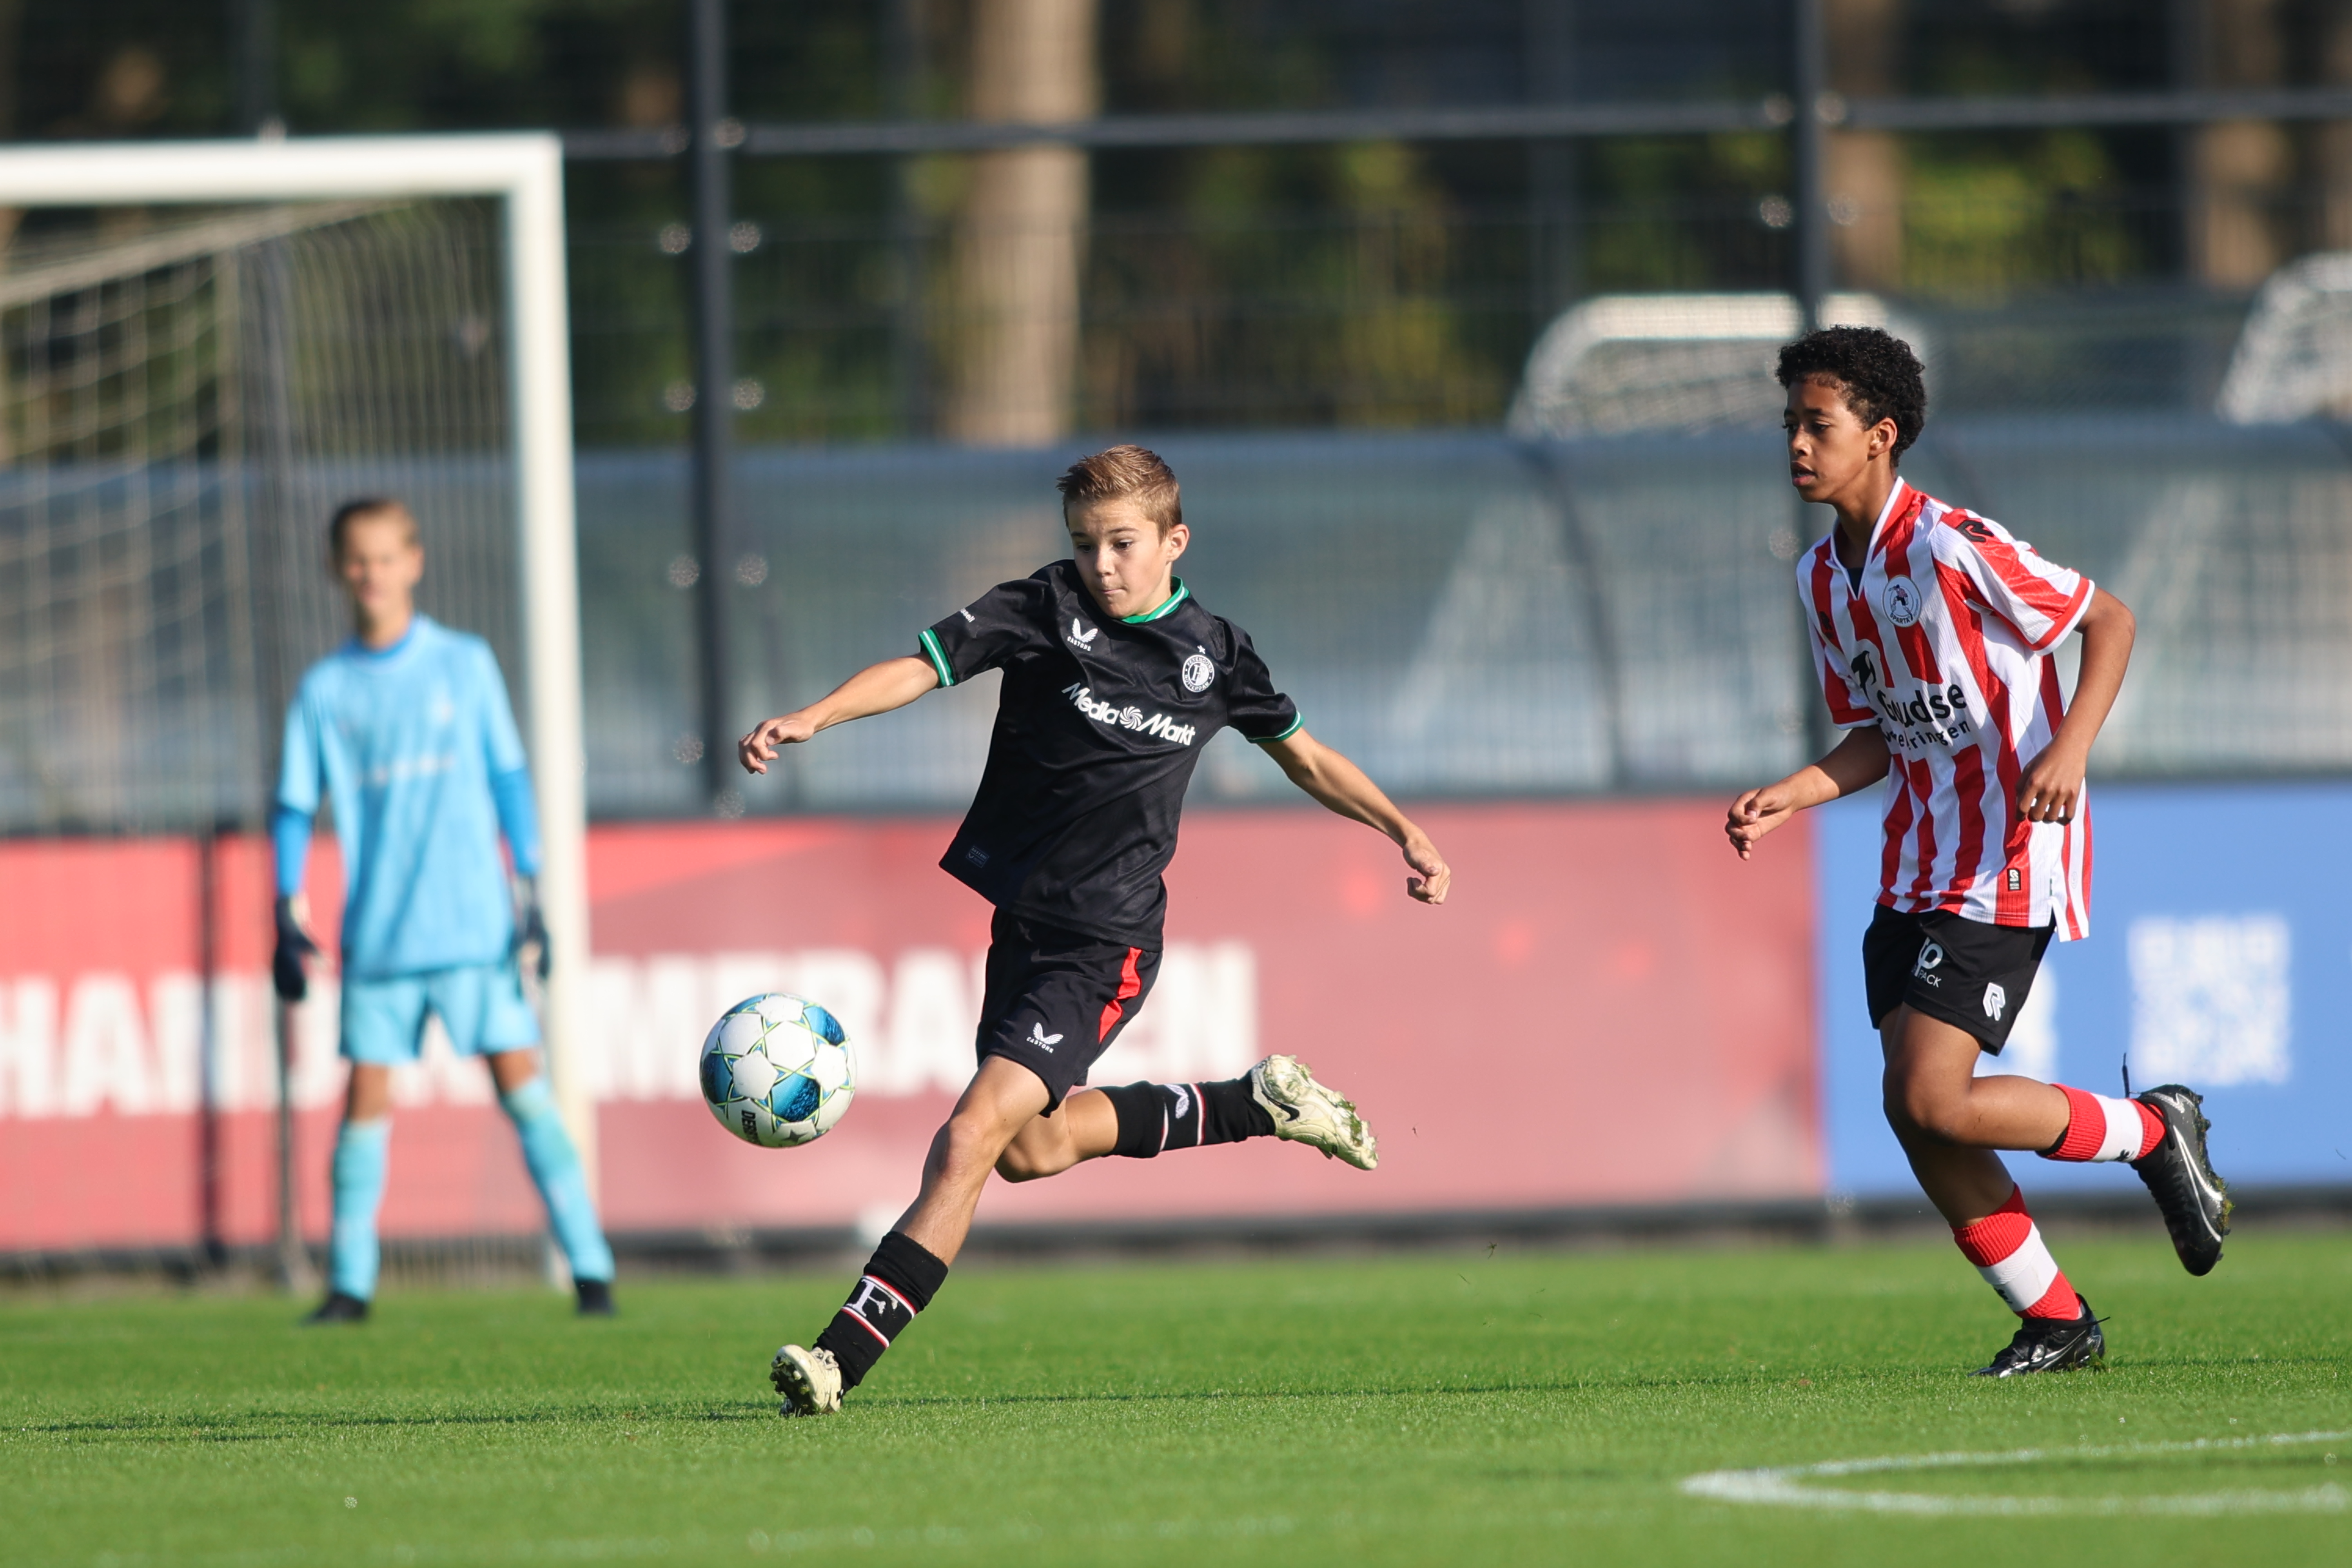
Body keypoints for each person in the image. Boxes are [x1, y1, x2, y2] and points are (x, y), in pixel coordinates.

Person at [738, 445, 1451, 1415]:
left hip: (1105, 944)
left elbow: (1308, 758)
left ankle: (838, 1357)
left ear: (1174, 540)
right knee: (1027, 1149)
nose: (1101, 564)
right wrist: (816, 716)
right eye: (1085, 544)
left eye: (1122, 543)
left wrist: (1404, 830)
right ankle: (1254, 1103)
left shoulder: (1216, 655)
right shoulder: (1045, 608)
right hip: (1024, 928)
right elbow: (923, 666)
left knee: (969, 1137)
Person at [1726, 327, 2229, 1376]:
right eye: (1790, 425)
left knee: (1932, 1097)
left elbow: (2110, 620)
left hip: (2008, 850)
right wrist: (1792, 793)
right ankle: (2057, 1319)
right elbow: (1878, 733)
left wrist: (2070, 749)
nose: (1797, 445)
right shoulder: (1822, 577)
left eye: (1818, 425)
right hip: (1913, 862)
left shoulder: (1953, 544)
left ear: (1881, 435)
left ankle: (2150, 1130)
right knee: (1916, 1116)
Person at [274, 498, 617, 1322]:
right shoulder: (326, 689)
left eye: (386, 556)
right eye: (358, 559)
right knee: (364, 1104)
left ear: (415, 562)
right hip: (381, 938)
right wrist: (287, 905)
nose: (372, 573)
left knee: (524, 1091)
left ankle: (591, 1268)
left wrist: (530, 884)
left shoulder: (464, 664)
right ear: (337, 570)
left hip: (472, 930)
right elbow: (293, 804)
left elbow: (508, 776)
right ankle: (350, 1284)